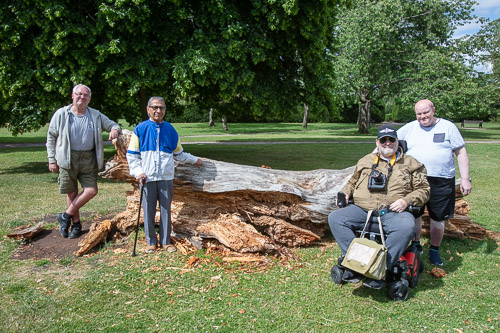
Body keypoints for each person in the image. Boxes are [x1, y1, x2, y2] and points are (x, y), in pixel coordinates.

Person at [328, 126, 430, 289]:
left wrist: (406, 200)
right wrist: (345, 192)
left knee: (406, 226)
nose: (387, 143)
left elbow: (424, 190)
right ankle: (355, 261)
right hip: (362, 209)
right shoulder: (365, 160)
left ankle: (381, 269)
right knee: (336, 218)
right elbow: (352, 181)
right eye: (383, 140)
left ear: (398, 142)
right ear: (377, 142)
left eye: (391, 139)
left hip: (392, 211)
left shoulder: (412, 163)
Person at [397, 99, 471, 266]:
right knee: (414, 215)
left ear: (433, 110)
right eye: (419, 113)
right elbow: (388, 140)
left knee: (438, 219)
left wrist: (465, 179)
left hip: (442, 180)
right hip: (415, 180)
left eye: (426, 112)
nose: (423, 116)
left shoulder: (448, 127)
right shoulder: (409, 128)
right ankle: (415, 246)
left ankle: (434, 250)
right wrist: (372, 159)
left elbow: (461, 152)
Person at [127, 96, 203, 254]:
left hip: (166, 177)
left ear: (165, 110)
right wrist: (138, 172)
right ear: (148, 109)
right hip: (147, 177)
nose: (158, 110)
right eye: (154, 107)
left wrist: (195, 160)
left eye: (161, 107)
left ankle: (165, 241)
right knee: (148, 211)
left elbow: (179, 154)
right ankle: (151, 242)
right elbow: (132, 156)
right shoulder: (140, 129)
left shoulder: (171, 130)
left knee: (165, 210)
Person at [47, 84, 121, 239]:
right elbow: (51, 137)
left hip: (88, 158)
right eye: (79, 94)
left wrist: (114, 130)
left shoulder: (95, 115)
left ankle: (65, 216)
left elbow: (114, 124)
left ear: (89, 99)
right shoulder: (61, 114)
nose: (82, 97)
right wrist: (51, 160)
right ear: (72, 96)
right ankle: (75, 224)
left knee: (91, 190)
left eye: (85, 95)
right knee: (71, 192)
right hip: (67, 157)